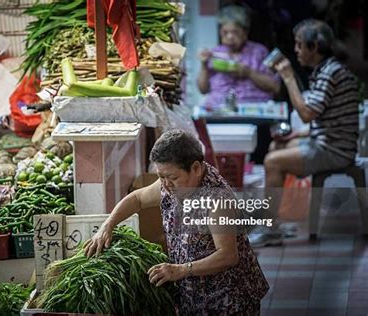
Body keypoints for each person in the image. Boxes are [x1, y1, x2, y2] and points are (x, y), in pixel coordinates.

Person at [84, 130, 269, 315]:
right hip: (193, 293)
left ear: (196, 168)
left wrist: (180, 270)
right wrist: (107, 226)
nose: (165, 184)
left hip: (227, 300)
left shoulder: (217, 200)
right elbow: (138, 199)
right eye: (161, 177)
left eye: (172, 178)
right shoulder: (171, 183)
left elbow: (228, 255)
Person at [249, 19, 359, 247]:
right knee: (275, 147)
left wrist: (288, 78)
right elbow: (327, 119)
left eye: (300, 45)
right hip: (327, 141)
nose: (296, 50)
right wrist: (295, 136)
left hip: (335, 150)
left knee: (272, 162)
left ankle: (270, 229)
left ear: (314, 48)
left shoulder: (330, 73)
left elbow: (307, 113)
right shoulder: (327, 70)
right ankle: (274, 220)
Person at [198, 5, 280, 111]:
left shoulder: (259, 52)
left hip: (253, 110)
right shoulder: (215, 53)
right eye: (225, 32)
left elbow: (275, 87)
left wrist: (249, 73)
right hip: (219, 109)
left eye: (235, 32)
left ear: (245, 32)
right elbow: (203, 89)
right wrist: (204, 65)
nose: (230, 37)